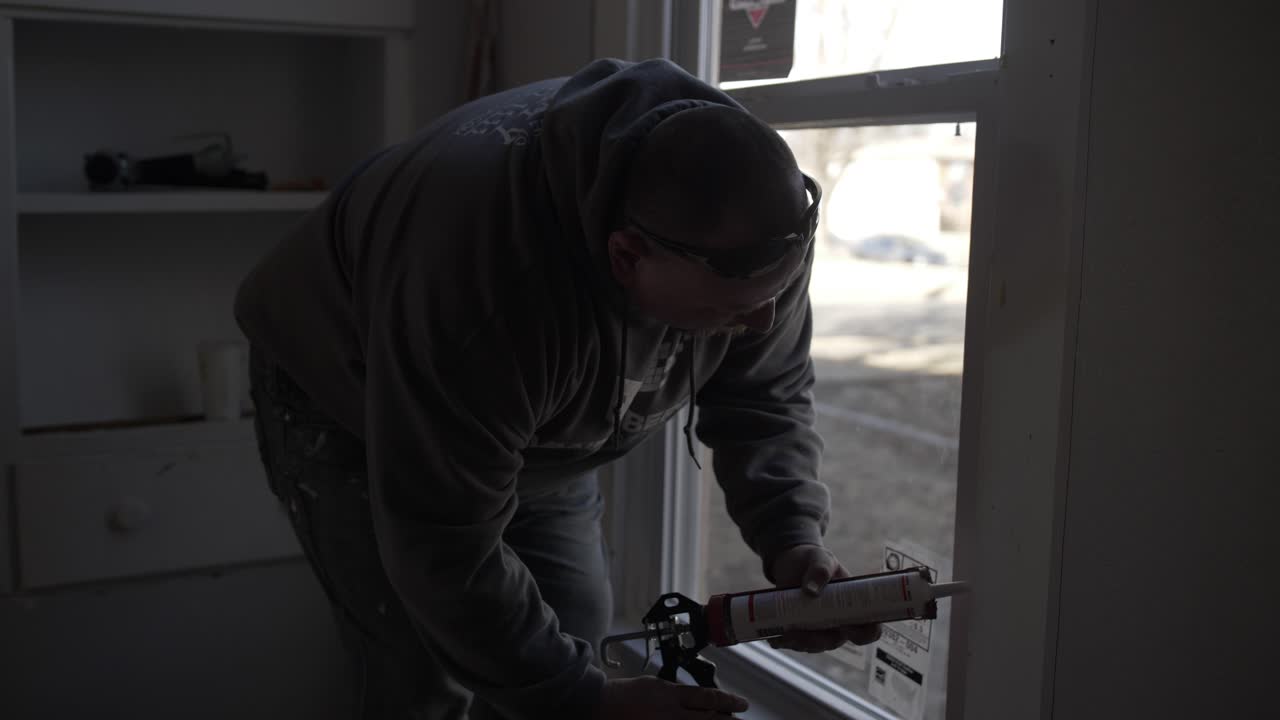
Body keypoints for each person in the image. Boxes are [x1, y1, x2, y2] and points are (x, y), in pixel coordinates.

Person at [234, 57, 880, 720]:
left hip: (525, 410)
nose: (761, 323)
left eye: (773, 297)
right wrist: (580, 701)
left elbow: (763, 398)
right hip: (346, 391)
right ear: (628, 255)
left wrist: (793, 538)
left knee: (570, 629)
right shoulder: (482, 296)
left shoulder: (756, 226)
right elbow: (444, 546)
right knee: (424, 671)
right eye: (731, 311)